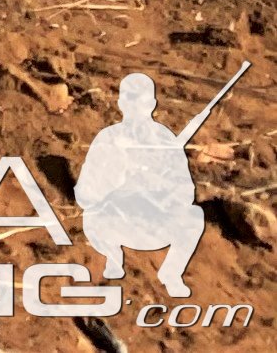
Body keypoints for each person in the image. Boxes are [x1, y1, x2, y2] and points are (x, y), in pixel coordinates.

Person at [77, 71, 211, 297]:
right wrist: (119, 183)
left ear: (152, 104)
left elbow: (185, 191)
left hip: (152, 220)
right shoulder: (108, 138)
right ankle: (113, 260)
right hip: (114, 220)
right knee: (91, 217)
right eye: (129, 100)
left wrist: (164, 193)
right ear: (121, 103)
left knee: (194, 217)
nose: (135, 109)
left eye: (141, 102)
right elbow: (85, 194)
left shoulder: (165, 141)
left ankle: (171, 273)